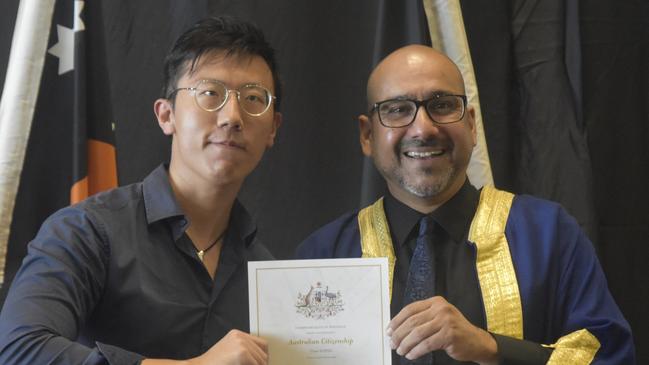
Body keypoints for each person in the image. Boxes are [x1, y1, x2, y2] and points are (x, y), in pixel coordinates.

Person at [296, 45, 635, 364]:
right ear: (367, 135)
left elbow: (611, 355)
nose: (423, 128)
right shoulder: (322, 258)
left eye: (442, 105)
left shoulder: (548, 235)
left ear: (471, 124)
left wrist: (491, 347)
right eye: (397, 110)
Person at [0, 16, 281, 365]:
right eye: (211, 93)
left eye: (254, 98)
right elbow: (19, 349)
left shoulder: (267, 271)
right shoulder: (87, 231)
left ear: (273, 129)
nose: (233, 116)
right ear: (167, 115)